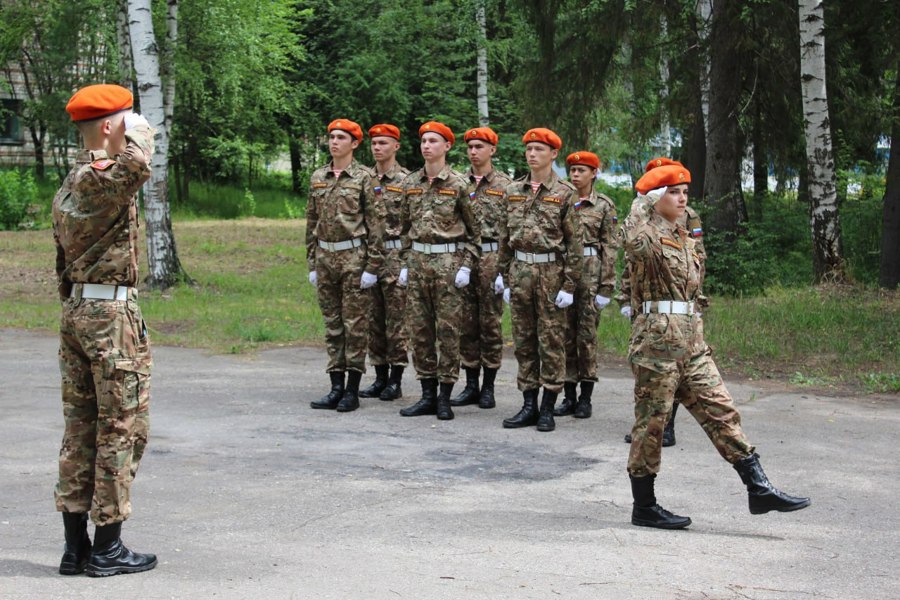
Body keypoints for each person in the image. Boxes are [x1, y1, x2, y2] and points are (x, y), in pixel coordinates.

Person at [623, 160, 810, 529]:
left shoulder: (685, 236)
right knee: (652, 424)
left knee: (721, 409)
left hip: (692, 341)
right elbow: (631, 239)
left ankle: (759, 487)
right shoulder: (643, 232)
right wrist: (642, 198)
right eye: (673, 192)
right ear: (656, 197)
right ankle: (644, 506)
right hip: (657, 343)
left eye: (684, 191)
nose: (681, 198)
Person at [52, 84, 157, 576]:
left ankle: (76, 548)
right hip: (110, 319)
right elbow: (139, 163)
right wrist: (136, 131)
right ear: (112, 126)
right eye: (126, 121)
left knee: (81, 430)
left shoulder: (72, 180)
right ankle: (108, 547)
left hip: (77, 312)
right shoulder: (103, 178)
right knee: (121, 427)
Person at [498, 128, 583, 432]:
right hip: (520, 271)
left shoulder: (565, 192)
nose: (532, 154)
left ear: (553, 153)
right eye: (529, 149)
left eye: (539, 149)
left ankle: (548, 405)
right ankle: (528, 404)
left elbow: (575, 244)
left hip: (550, 274)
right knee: (523, 341)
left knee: (551, 341)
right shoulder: (513, 190)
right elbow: (505, 237)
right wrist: (503, 276)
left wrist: (570, 285)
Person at [620, 158, 708, 446]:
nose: (678, 197)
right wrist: (626, 296)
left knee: (676, 368)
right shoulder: (641, 214)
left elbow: (696, 258)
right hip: (645, 301)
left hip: (677, 303)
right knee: (649, 365)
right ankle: (649, 424)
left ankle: (665, 426)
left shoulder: (686, 215)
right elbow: (630, 260)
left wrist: (693, 298)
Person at [397, 121, 481, 421]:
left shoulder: (460, 185)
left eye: (433, 141)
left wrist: (466, 267)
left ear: (447, 146)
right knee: (419, 332)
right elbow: (403, 229)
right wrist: (405, 263)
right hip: (418, 264)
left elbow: (475, 234)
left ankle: (445, 395)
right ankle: (427, 394)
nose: (426, 146)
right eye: (423, 141)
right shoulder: (410, 183)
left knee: (448, 332)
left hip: (448, 266)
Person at [307, 119, 385, 413]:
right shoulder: (318, 176)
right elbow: (311, 222)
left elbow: (377, 226)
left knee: (355, 326)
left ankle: (352, 389)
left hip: (354, 258)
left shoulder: (365, 178)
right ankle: (335, 386)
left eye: (341, 137)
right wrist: (312, 261)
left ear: (354, 144)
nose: (334, 142)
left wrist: (372, 267)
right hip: (326, 257)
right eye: (331, 137)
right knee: (333, 325)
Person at [450, 127, 512, 410]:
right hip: (463, 259)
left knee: (490, 324)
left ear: (492, 150)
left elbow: (511, 230)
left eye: (480, 146)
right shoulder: (458, 183)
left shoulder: (506, 185)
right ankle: (470, 384)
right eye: (470, 146)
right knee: (466, 324)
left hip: (491, 259)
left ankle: (488, 386)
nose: (474, 151)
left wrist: (504, 270)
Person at [554, 151, 617, 419]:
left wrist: (606, 286)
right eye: (573, 170)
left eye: (582, 170)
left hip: (591, 274)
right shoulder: (560, 199)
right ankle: (568, 395)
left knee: (586, 337)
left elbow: (610, 247)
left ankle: (586, 397)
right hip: (564, 273)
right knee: (563, 334)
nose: (576, 175)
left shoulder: (603, 205)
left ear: (594, 173)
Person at [358, 124, 410, 402]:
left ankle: (396, 379)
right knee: (372, 319)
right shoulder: (363, 178)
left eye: (383, 143)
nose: (377, 148)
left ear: (396, 146)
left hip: (395, 255)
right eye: (374, 143)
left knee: (396, 321)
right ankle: (379, 376)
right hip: (368, 257)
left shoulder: (406, 180)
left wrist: (407, 262)